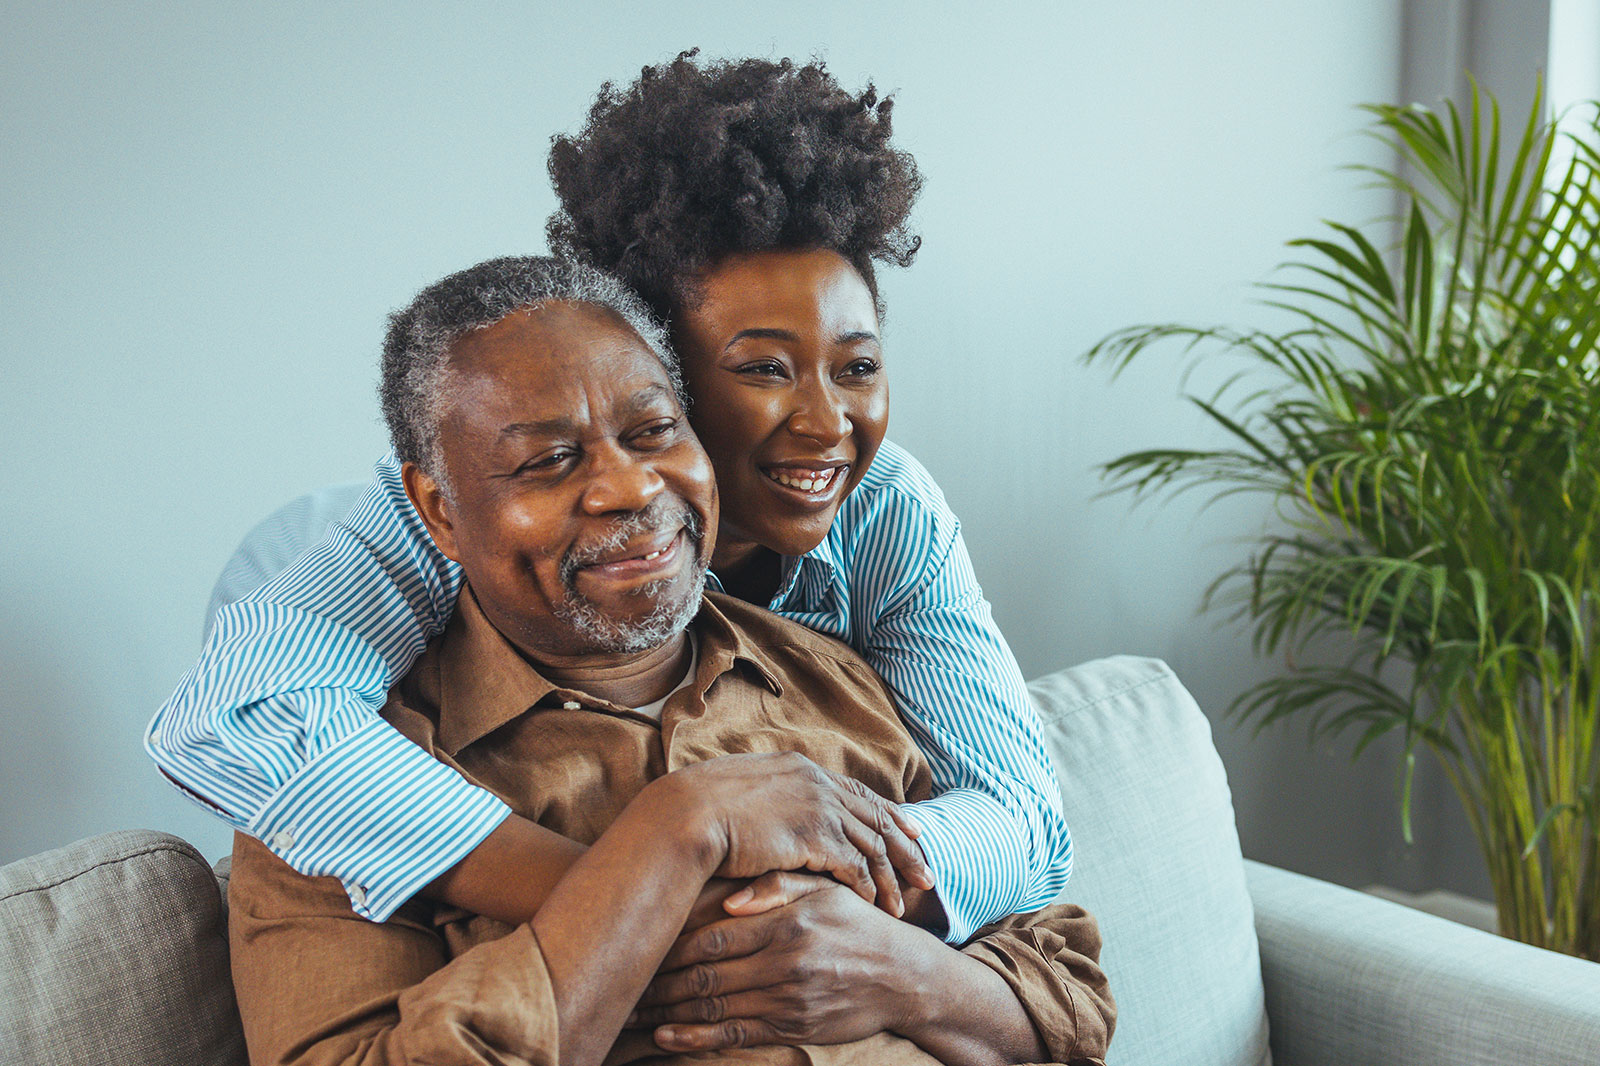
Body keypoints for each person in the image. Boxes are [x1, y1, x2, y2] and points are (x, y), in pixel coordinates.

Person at [147, 52, 1070, 945]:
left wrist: (813, 905)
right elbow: (238, 714)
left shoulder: (888, 508)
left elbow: (1025, 818)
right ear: (650, 367)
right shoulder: (448, 519)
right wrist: (638, 899)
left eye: (858, 366)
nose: (829, 423)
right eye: (762, 370)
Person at [227, 255, 1113, 1066]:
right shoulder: (328, 792)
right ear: (440, 510)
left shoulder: (832, 670)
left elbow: (1068, 995)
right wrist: (673, 837)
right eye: (549, 460)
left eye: (653, 432)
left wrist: (895, 969)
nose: (629, 487)